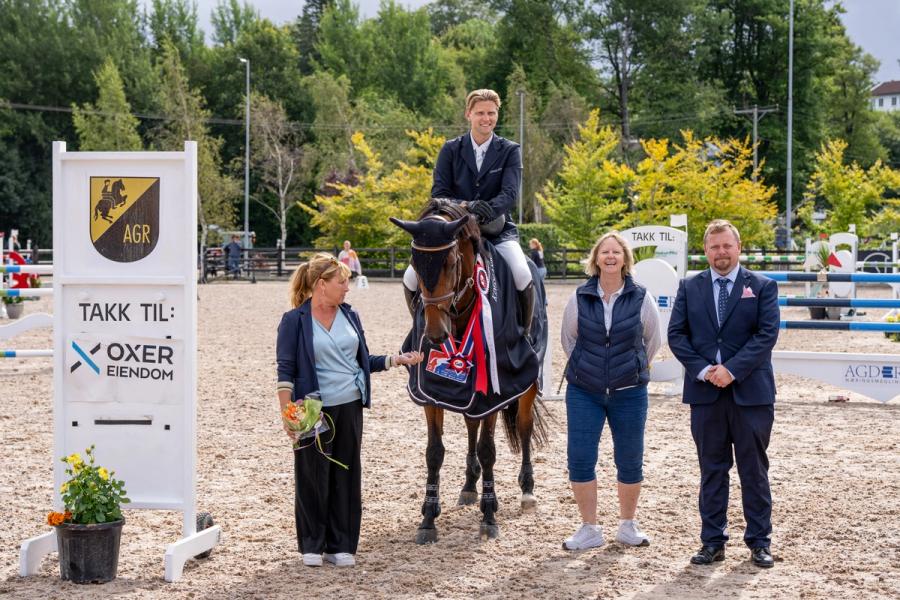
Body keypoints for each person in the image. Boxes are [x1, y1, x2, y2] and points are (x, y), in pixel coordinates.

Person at [276, 253, 423, 568]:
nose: (347, 288)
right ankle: (312, 544)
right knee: (311, 475)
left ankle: (341, 544)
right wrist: (287, 414)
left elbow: (362, 361)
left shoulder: (351, 315)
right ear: (321, 284)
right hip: (311, 409)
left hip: (350, 404)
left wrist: (396, 360)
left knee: (346, 472)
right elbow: (285, 371)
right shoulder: (294, 320)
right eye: (342, 282)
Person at [667, 219, 779, 569]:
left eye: (727, 245)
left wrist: (732, 370)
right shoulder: (689, 287)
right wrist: (704, 370)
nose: (721, 252)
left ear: (738, 247)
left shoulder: (762, 286)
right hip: (705, 393)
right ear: (705, 250)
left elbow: (766, 334)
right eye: (714, 247)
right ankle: (712, 541)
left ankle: (759, 542)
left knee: (753, 470)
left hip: (751, 393)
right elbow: (676, 335)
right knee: (712, 470)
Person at [559, 231, 661, 551]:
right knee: (580, 459)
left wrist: (630, 367)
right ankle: (589, 528)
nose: (611, 256)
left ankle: (627, 525)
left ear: (625, 259)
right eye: (605, 252)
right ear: (596, 259)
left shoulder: (642, 297)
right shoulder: (579, 296)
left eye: (617, 252)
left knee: (629, 459)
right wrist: (590, 369)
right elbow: (569, 340)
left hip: (629, 391)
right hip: (584, 391)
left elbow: (652, 340)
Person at [402, 88, 535, 332]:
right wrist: (466, 207)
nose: (486, 118)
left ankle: (524, 335)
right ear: (468, 114)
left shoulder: (509, 150)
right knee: (410, 278)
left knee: (522, 274)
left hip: (496, 229)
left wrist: (484, 211)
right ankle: (422, 328)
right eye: (480, 113)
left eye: (491, 113)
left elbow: (509, 194)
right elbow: (439, 193)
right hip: (454, 231)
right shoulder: (450, 149)